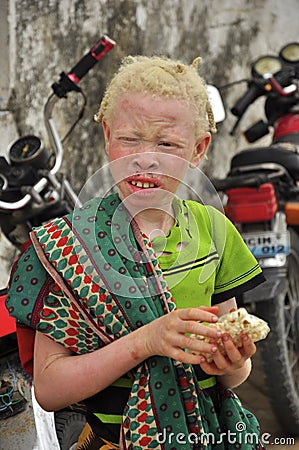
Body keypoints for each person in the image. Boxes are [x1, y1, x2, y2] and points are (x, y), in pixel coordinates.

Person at [6, 55, 266, 450]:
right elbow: (49, 389)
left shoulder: (215, 231)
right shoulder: (68, 248)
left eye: (167, 143)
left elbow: (234, 373)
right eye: (130, 138)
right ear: (108, 136)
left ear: (198, 149)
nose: (146, 156)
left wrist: (232, 362)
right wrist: (147, 341)